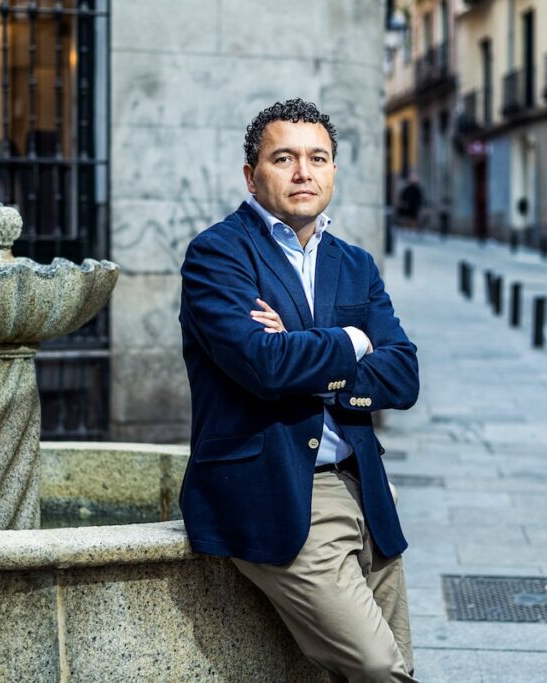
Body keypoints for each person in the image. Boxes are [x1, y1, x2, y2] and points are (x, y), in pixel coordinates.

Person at [179, 98, 420, 682]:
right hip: (280, 493)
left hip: (366, 489)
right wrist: (353, 341)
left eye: (317, 158)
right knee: (378, 666)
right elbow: (262, 365)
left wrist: (302, 349)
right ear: (251, 175)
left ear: (333, 170)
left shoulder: (355, 264)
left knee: (394, 663)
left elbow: (403, 375)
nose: (303, 172)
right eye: (283, 158)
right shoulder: (218, 255)